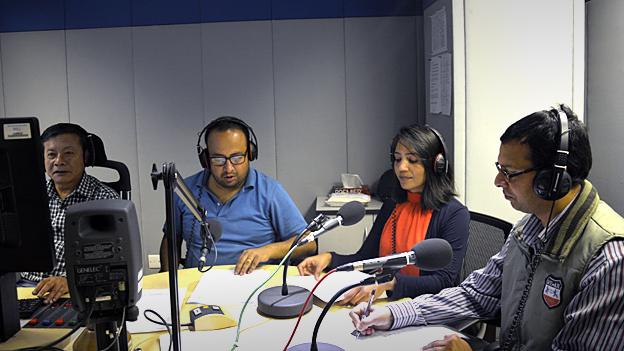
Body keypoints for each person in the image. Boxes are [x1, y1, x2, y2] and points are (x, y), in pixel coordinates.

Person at [350, 105, 624, 350]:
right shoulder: (529, 229)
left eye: (509, 172)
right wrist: (394, 315)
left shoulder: (610, 259)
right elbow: (474, 295)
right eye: (499, 168)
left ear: (552, 180)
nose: (497, 180)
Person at [297, 125, 470, 304]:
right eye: (397, 159)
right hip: (386, 304)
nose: (401, 167)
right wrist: (329, 258)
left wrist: (388, 283)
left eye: (412, 160)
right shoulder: (393, 204)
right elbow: (366, 258)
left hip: (426, 309)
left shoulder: (454, 214)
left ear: (437, 165)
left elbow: (443, 281)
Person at [159, 116, 316, 275]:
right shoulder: (185, 192)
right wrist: (167, 278)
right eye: (218, 159)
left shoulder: (270, 191)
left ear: (250, 153)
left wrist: (268, 251)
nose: (229, 168)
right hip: (196, 283)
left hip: (253, 284)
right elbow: (171, 239)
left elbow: (309, 243)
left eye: (237, 158)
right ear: (206, 159)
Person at [17, 123, 119, 303]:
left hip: (78, 291)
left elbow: (112, 260)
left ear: (85, 157)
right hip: (26, 289)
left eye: (68, 153)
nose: (59, 161)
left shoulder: (105, 200)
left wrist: (69, 280)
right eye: (51, 154)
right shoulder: (29, 198)